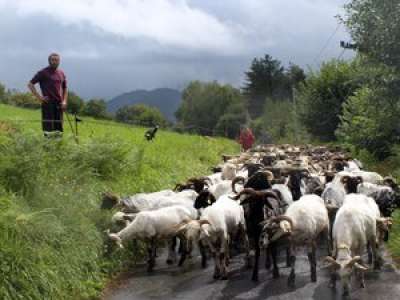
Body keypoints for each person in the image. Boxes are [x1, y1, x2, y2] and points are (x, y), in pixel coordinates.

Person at [28, 53, 68, 136]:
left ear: (59, 61)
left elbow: (65, 88)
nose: (54, 62)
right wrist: (39, 98)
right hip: (47, 103)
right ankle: (47, 146)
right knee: (48, 129)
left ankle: (57, 146)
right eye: (52, 60)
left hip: (59, 104)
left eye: (56, 60)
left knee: (59, 128)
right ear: (49, 61)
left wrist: (64, 101)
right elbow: (30, 84)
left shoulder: (61, 73)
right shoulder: (43, 72)